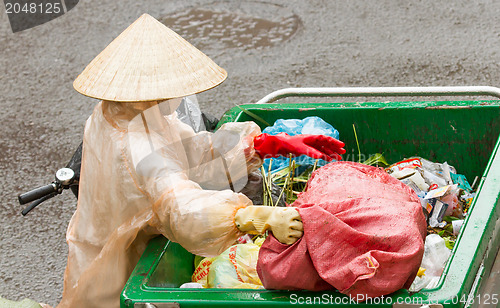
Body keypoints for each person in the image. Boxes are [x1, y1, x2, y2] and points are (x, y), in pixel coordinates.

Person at [57, 14, 345, 308]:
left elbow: (192, 150)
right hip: (119, 263)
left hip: (110, 243)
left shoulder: (123, 112)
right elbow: (182, 208)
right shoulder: (137, 145)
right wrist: (257, 217)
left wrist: (263, 145)